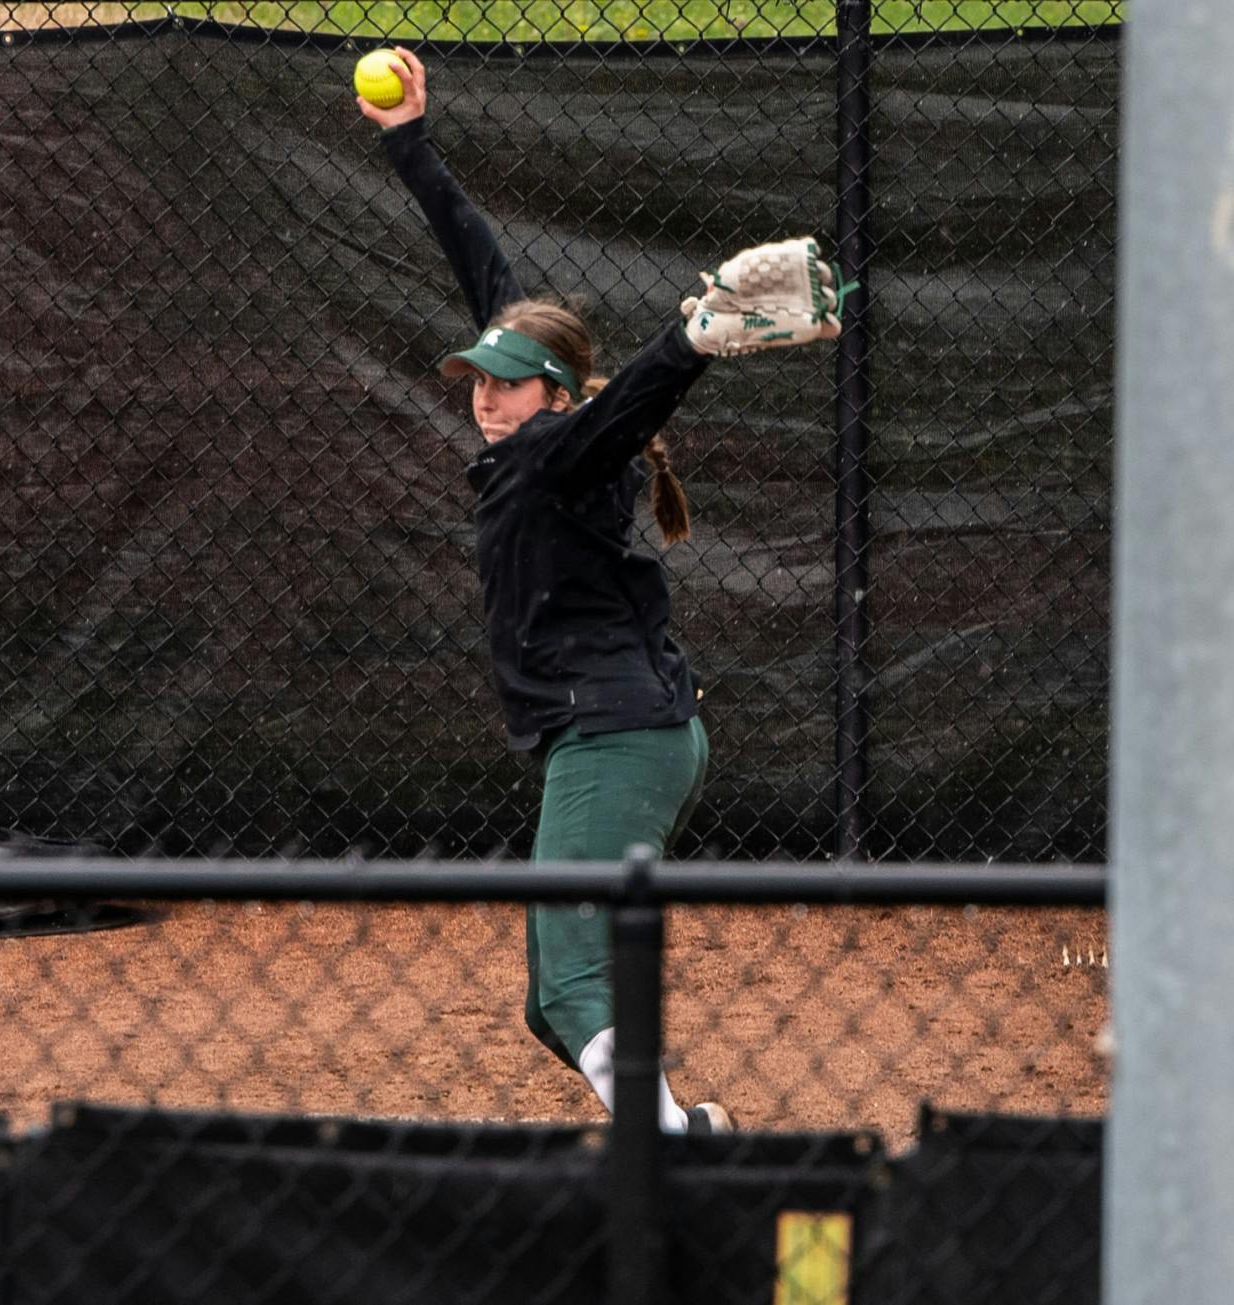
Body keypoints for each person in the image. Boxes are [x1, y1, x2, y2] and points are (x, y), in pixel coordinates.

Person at [358, 48, 842, 1133]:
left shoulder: (561, 450)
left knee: (569, 981)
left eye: (505, 383)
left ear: (558, 395)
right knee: (554, 994)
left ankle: (672, 1153)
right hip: (624, 731)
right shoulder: (536, 429)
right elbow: (485, 276)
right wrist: (410, 145)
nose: (484, 396)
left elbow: (618, 409)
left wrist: (688, 341)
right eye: (476, 379)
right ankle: (681, 1132)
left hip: (613, 736)